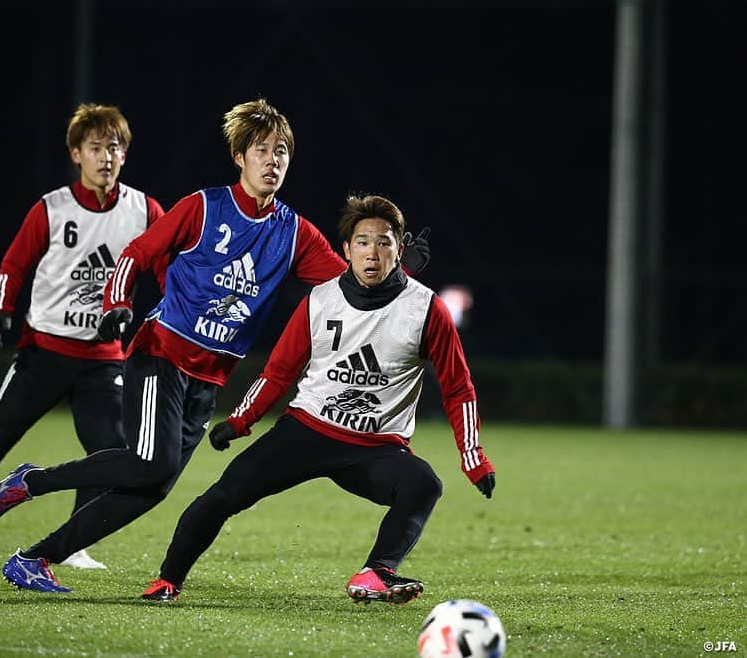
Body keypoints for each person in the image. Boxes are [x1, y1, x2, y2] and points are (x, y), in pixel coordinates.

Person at [0, 99, 430, 593]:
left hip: (209, 379)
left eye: (281, 152)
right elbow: (137, 252)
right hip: (162, 356)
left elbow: (354, 280)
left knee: (151, 488)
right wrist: (117, 302)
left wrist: (402, 271)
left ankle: (34, 560)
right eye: (262, 150)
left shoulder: (294, 232)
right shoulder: (204, 206)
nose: (272, 160)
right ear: (240, 156)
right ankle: (32, 481)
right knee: (151, 464)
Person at [138, 194, 495, 605]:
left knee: (424, 484)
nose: (372, 253)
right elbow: (278, 372)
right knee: (223, 495)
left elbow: (458, 388)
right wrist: (240, 421)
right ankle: (168, 579)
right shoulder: (320, 299)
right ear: (346, 249)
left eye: (384, 242)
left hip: (375, 449)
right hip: (306, 431)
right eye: (362, 242)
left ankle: (376, 573)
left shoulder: (427, 309)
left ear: (400, 249)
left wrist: (473, 457)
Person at [0, 104, 165, 570]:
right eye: (95, 147)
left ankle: (73, 547)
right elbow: (13, 265)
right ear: (76, 154)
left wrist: (152, 319)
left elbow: (171, 274)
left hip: (103, 360)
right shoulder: (52, 208)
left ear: (125, 155)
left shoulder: (145, 210)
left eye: (115, 147)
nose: (106, 156)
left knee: (109, 451)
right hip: (44, 353)